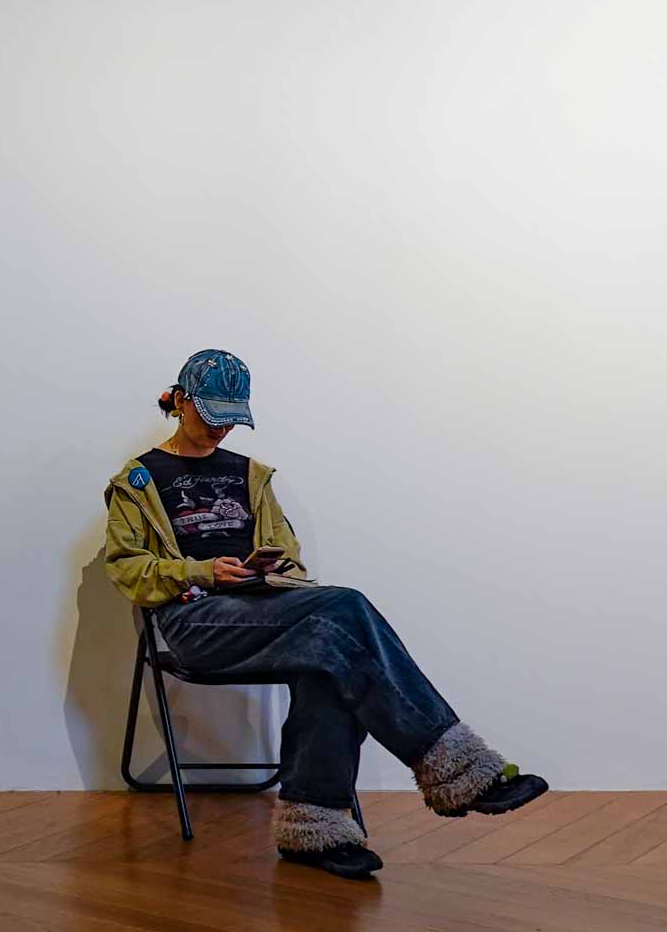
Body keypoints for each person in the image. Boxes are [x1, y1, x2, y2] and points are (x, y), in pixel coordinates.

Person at [103, 348, 547, 880]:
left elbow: (290, 556)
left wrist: (269, 570)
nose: (222, 429)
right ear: (180, 402)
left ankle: (314, 831)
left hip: (264, 609)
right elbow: (127, 569)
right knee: (344, 607)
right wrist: (203, 572)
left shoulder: (251, 475)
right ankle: (458, 770)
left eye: (232, 418)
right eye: (212, 415)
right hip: (196, 621)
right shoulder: (139, 480)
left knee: (330, 655)